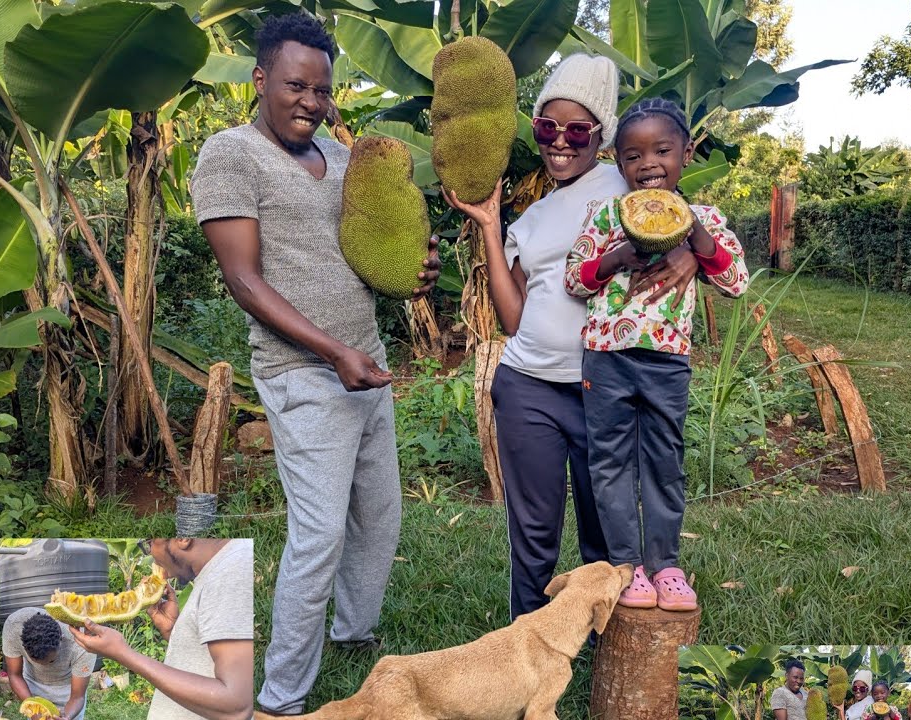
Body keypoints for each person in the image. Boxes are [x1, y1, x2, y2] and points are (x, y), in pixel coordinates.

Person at [187, 13, 438, 714]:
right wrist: (332, 353)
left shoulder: (338, 154)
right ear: (261, 79)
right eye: (296, 85)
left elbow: (367, 249)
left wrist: (416, 267)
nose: (310, 101)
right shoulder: (232, 155)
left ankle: (355, 634)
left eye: (322, 89)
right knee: (319, 534)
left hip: (367, 361)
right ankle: (281, 695)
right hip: (304, 372)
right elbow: (244, 280)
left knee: (380, 518)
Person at [444, 54, 699, 620]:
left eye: (578, 129)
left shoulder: (630, 178)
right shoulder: (531, 216)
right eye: (547, 128)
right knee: (533, 532)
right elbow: (513, 317)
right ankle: (525, 642)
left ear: (602, 135)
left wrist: (682, 250)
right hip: (527, 383)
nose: (561, 142)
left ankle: (601, 644)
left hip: (601, 384)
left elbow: (683, 219)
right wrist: (491, 226)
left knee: (602, 529)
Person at [563, 97, 749, 610]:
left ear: (687, 154)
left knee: (665, 462)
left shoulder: (704, 219)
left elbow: (735, 282)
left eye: (663, 150)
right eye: (632, 156)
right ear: (618, 162)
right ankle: (628, 565)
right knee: (609, 464)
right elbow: (574, 280)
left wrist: (691, 233)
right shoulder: (604, 215)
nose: (648, 165)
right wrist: (619, 254)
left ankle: (666, 564)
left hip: (667, 363)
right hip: (606, 358)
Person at [69, 539, 253, 720]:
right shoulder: (216, 570)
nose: (151, 555)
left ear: (182, 539)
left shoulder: (232, 570)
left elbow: (236, 707)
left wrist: (123, 653)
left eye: (149, 544)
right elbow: (210, 660)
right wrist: (173, 631)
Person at [1, 608, 93, 720]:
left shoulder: (83, 643)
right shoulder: (14, 626)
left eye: (51, 661)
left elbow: (77, 697)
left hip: (68, 688)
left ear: (61, 638)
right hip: (33, 683)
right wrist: (34, 710)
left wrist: (67, 717)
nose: (45, 667)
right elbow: (15, 675)